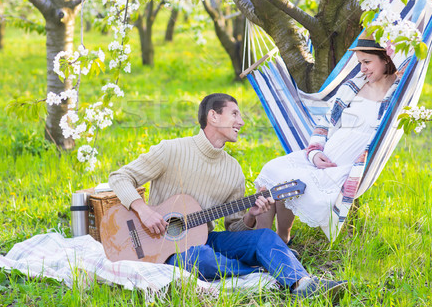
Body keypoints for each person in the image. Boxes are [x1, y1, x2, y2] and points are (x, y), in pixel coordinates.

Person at [108, 93, 346, 300]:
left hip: (204, 237)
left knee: (263, 237)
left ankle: (302, 284)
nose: (241, 122)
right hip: (162, 245)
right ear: (213, 116)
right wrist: (144, 210)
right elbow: (119, 177)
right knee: (201, 258)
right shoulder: (171, 150)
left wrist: (252, 216)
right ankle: (268, 266)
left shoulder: (233, 171)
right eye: (234, 114)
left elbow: (235, 229)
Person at [254, 36, 398, 242]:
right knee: (272, 171)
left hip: (342, 167)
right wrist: (314, 153)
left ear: (386, 58)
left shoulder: (397, 93)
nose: (363, 69)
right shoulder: (353, 86)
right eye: (360, 63)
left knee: (294, 183)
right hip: (322, 157)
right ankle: (265, 242)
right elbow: (325, 123)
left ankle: (280, 238)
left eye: (367, 62)